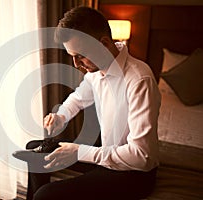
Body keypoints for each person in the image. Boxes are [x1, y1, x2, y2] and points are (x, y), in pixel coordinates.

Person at [26, 6, 161, 200]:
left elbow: (141, 156)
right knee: (35, 150)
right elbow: (78, 98)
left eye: (80, 55)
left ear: (104, 44)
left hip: (133, 172)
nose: (76, 64)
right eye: (71, 56)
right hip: (106, 156)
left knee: (45, 195)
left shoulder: (139, 80)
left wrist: (80, 152)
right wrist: (61, 116)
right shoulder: (95, 72)